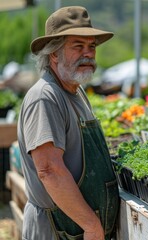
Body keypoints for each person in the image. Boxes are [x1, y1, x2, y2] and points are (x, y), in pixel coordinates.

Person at [17, 6, 119, 240]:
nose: (88, 54)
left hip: (74, 227)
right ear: (53, 53)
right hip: (56, 229)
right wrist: (92, 226)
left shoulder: (76, 92)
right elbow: (49, 170)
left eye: (91, 46)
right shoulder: (45, 97)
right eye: (77, 46)